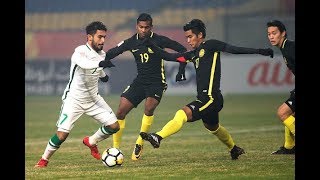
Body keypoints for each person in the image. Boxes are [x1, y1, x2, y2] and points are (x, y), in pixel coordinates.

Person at [139, 19, 274, 160]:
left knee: (182, 113)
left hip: (211, 98)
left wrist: (260, 51)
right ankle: (234, 149)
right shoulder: (193, 54)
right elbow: (169, 56)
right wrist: (151, 45)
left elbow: (234, 49)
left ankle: (158, 136)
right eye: (187, 38)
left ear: (200, 35)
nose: (188, 41)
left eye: (190, 37)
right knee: (213, 127)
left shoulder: (211, 45)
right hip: (206, 100)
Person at [103, 13, 188, 161]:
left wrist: (181, 69)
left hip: (157, 82)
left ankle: (140, 143)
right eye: (141, 27)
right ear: (137, 27)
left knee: (149, 108)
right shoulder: (131, 42)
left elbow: (181, 49)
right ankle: (116, 148)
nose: (143, 30)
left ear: (151, 27)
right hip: (140, 81)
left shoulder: (159, 40)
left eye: (146, 27)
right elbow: (112, 52)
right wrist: (100, 60)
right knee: (121, 111)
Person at [34, 21, 119, 168]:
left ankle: (91, 141)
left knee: (114, 126)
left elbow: (97, 67)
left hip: (93, 99)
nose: (103, 41)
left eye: (104, 37)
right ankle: (44, 160)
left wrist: (103, 75)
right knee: (62, 135)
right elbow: (86, 64)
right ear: (90, 37)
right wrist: (101, 65)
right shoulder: (80, 51)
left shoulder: (102, 54)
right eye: (99, 37)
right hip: (74, 100)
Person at [267, 20, 295, 155]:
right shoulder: (285, 48)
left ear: (283, 33)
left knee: (283, 113)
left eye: (274, 33)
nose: (271, 36)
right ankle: (289, 147)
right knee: (291, 114)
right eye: (269, 34)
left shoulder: (290, 48)